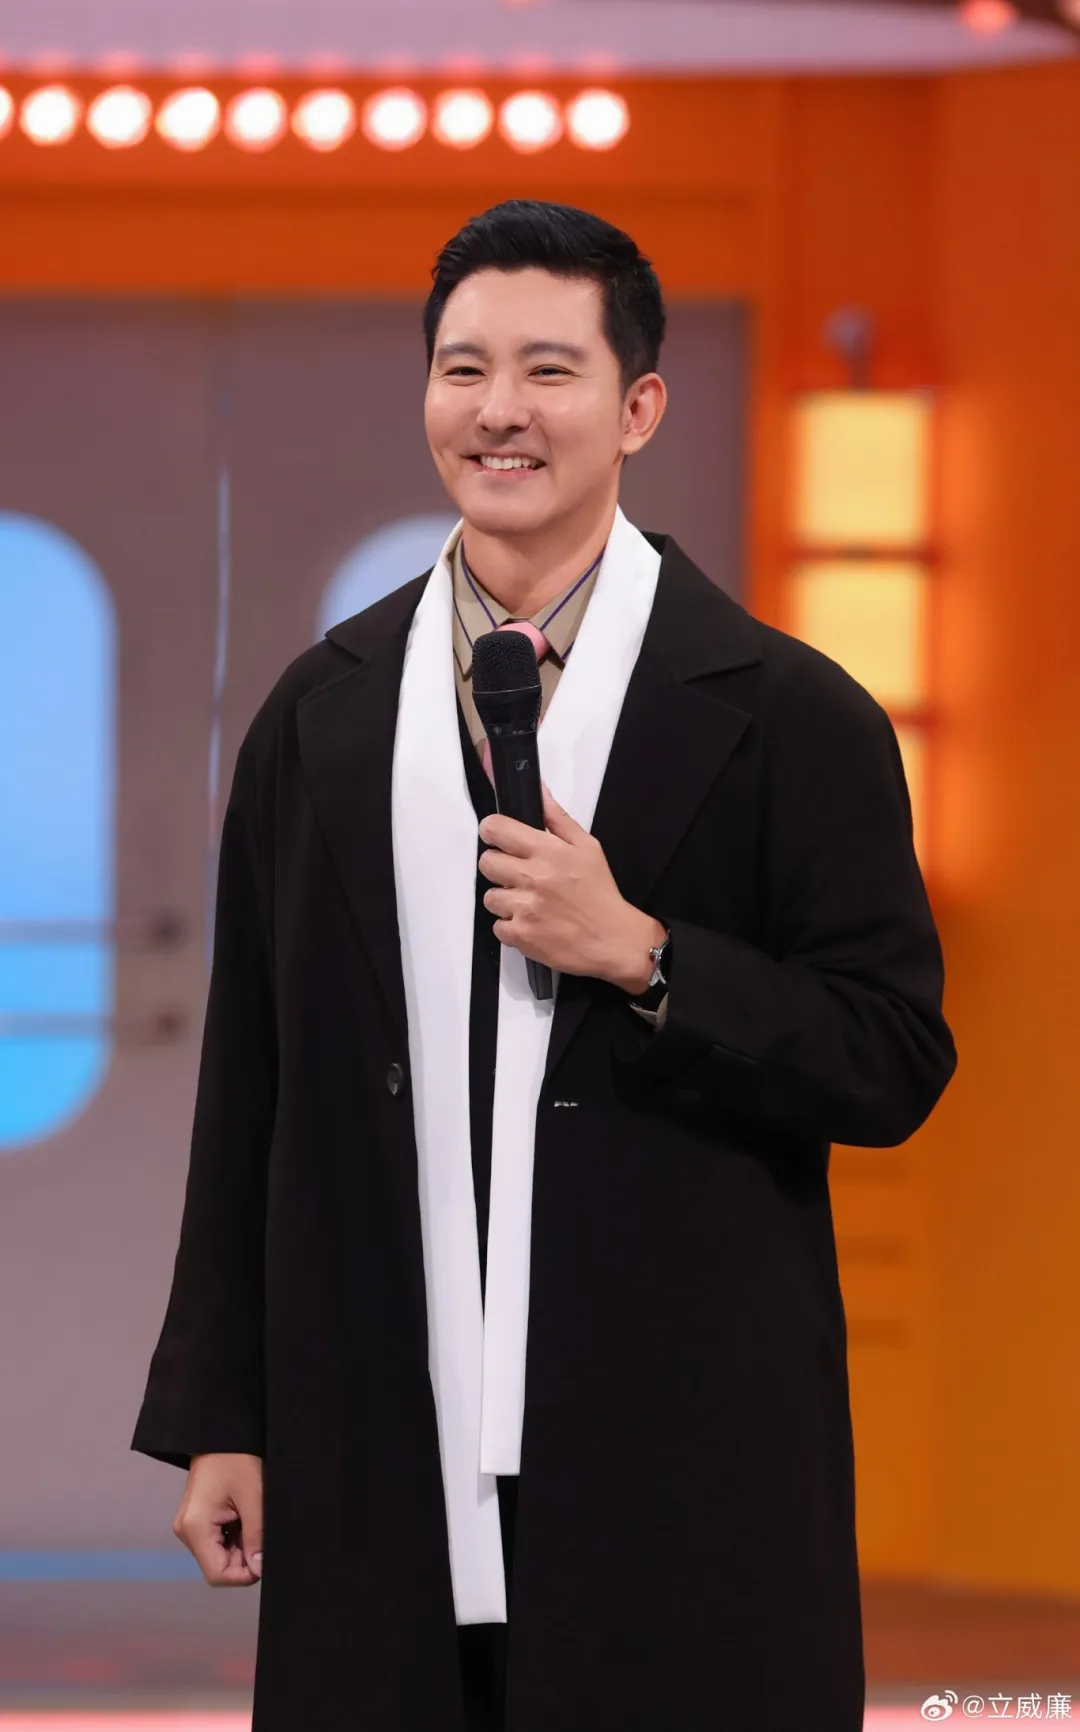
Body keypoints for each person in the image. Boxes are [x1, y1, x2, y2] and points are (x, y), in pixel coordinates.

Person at [132, 199, 957, 1732]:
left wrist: (645, 956)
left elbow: (892, 1056)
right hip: (379, 1425)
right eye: (463, 369)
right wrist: (219, 1413)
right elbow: (253, 1081)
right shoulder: (322, 714)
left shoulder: (793, 715)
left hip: (681, 1443)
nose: (498, 409)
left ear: (640, 407)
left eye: (548, 370)